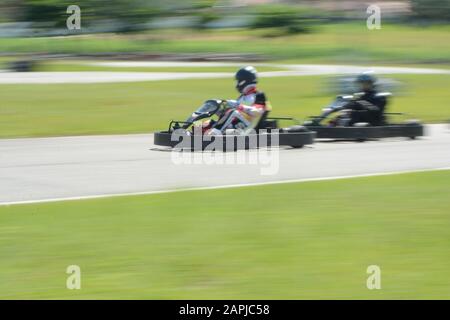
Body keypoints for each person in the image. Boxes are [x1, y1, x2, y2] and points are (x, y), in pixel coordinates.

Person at [207, 66, 271, 135]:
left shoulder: (258, 95)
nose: (237, 83)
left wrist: (238, 106)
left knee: (232, 112)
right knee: (209, 122)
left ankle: (214, 134)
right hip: (236, 124)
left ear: (244, 81)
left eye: (238, 81)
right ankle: (197, 131)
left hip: (248, 128)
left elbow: (257, 111)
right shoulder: (243, 96)